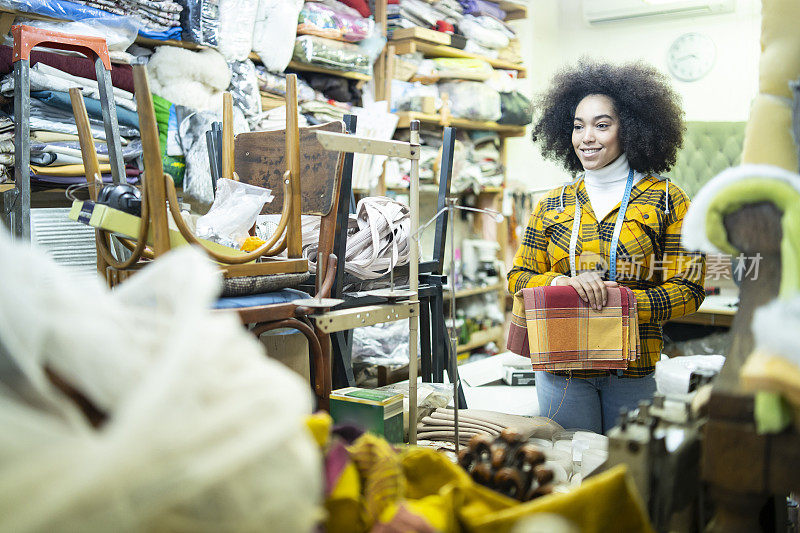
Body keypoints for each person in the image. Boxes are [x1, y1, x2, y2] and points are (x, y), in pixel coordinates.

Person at [507, 59, 706, 434]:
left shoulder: (668, 199)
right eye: (578, 126)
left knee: (627, 479)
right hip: (562, 369)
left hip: (632, 369)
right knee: (568, 469)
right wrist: (558, 284)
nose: (587, 138)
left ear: (629, 129)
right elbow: (518, 277)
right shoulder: (553, 203)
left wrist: (623, 305)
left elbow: (690, 288)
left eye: (602, 125)